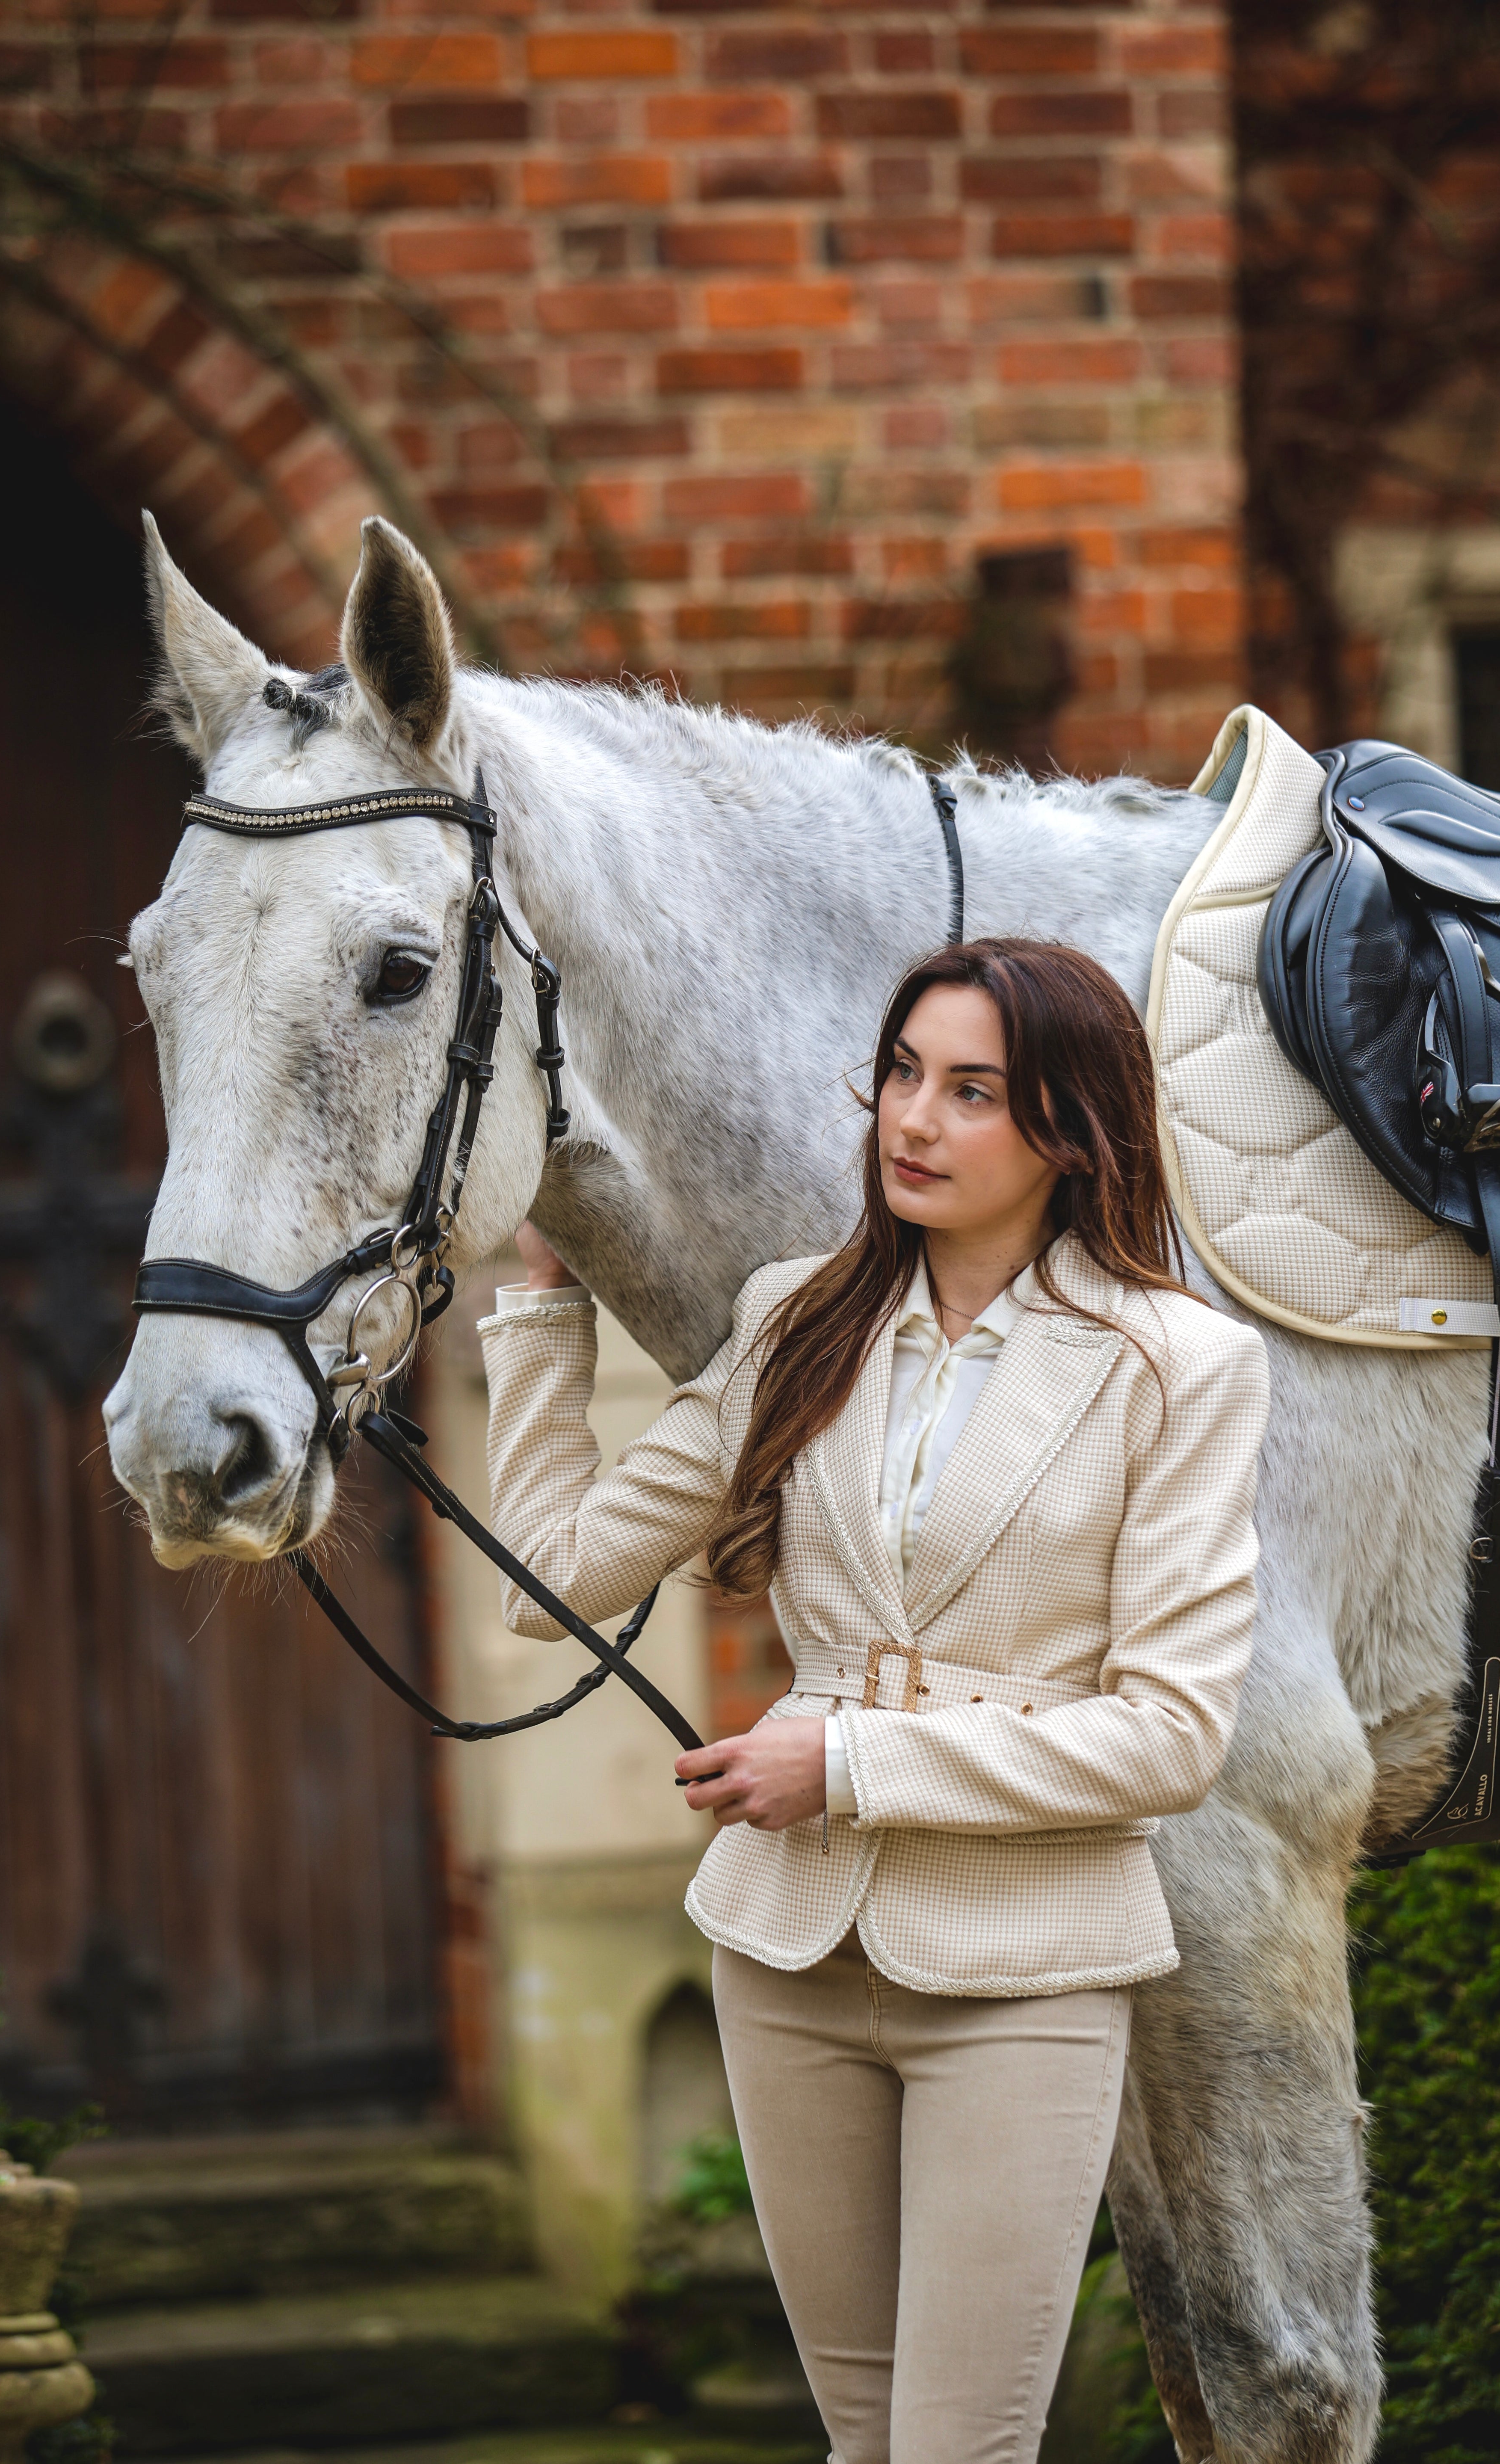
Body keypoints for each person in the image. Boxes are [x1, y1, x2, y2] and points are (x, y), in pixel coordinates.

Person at [480, 937, 1269, 2464]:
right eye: (904, 1074)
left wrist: (846, 1760)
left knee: (957, 2449)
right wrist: (540, 1316)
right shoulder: (799, 1321)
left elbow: (1172, 1734)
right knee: (862, 2443)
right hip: (785, 1956)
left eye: (973, 1091)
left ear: (1070, 1133)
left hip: (1022, 1974)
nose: (913, 1118)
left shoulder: (1182, 1366)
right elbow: (553, 1574)